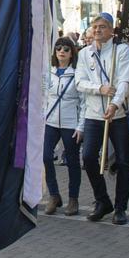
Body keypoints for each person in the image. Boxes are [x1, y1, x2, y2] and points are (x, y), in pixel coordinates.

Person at [76, 13, 129, 224]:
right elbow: (79, 82)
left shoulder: (122, 50)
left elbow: (125, 81)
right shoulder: (85, 53)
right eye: (95, 26)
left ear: (111, 30)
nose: (98, 30)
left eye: (103, 26)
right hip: (93, 115)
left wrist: (115, 103)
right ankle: (102, 200)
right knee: (89, 157)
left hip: (117, 115)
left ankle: (120, 207)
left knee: (123, 161)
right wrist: (99, 88)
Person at [43, 37, 84, 216]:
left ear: (72, 53)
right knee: (45, 156)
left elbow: (83, 101)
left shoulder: (77, 73)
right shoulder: (48, 72)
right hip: (50, 121)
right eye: (58, 48)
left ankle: (73, 199)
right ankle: (54, 195)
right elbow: (43, 96)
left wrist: (81, 126)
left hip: (71, 123)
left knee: (72, 161)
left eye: (66, 49)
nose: (61, 51)